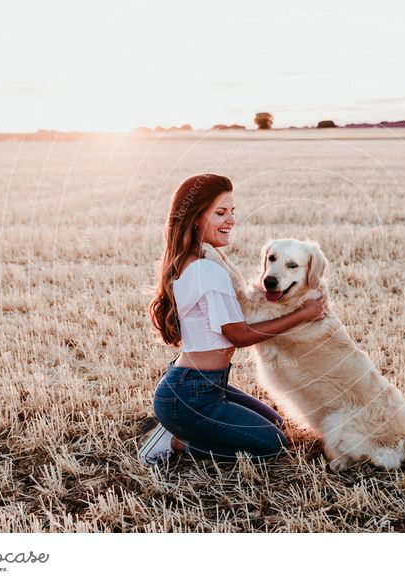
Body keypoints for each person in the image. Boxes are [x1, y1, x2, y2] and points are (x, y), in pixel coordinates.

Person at [138, 174, 327, 466]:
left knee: (276, 427)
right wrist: (303, 315)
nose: (231, 220)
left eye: (232, 212)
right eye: (220, 212)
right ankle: (177, 441)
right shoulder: (207, 269)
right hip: (190, 394)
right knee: (271, 446)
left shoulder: (196, 259)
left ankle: (182, 425)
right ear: (196, 217)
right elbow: (238, 335)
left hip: (203, 385)